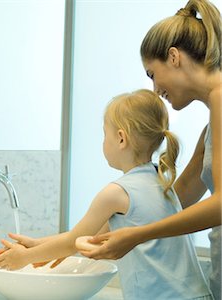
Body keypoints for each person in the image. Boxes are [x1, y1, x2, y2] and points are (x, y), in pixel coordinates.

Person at [0, 89, 213, 299]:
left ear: (121, 138)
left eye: (104, 135)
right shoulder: (160, 181)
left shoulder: (116, 193)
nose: (103, 142)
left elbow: (72, 242)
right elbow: (90, 238)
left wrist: (24, 258)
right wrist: (37, 244)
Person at [79, 1, 221, 298]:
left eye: (151, 74)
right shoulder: (211, 125)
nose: (155, 89)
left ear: (173, 57)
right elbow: (175, 197)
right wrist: (97, 234)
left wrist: (138, 235)